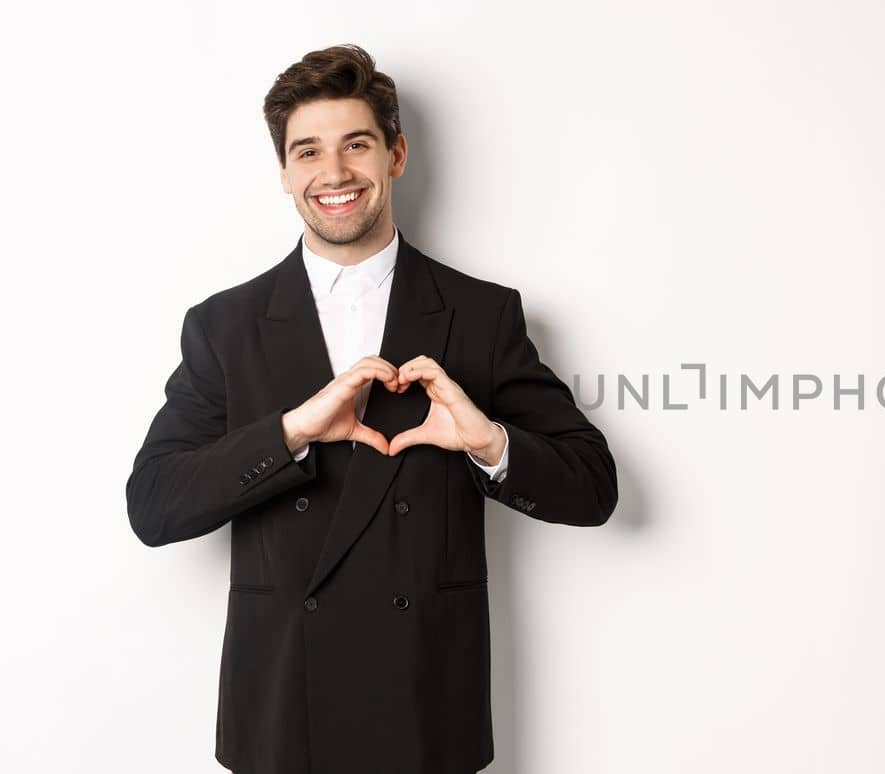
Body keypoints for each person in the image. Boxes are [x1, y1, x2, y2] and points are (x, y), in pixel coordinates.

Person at [124, 43, 618, 774]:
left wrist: (489, 443)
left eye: (357, 144)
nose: (334, 174)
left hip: (424, 702)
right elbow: (154, 507)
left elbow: (593, 488)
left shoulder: (480, 315)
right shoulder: (224, 327)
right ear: (286, 173)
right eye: (309, 152)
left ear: (396, 154)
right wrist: (290, 432)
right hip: (285, 711)